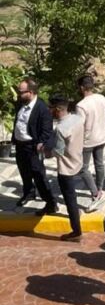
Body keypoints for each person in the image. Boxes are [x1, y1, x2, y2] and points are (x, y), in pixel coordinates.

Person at [12, 78, 57, 215]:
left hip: (33, 147)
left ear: (30, 92)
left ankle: (50, 203)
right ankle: (29, 193)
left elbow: (47, 130)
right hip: (20, 145)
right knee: (24, 171)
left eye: (21, 92)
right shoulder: (21, 103)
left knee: (38, 175)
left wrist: (41, 143)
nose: (18, 95)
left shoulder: (42, 108)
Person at [46, 96, 86, 241]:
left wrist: (44, 151)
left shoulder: (61, 129)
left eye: (51, 108)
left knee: (70, 200)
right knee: (73, 197)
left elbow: (58, 151)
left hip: (66, 168)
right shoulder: (77, 119)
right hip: (78, 161)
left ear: (57, 110)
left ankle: (76, 231)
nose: (49, 111)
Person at [76, 74, 105, 211]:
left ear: (82, 88)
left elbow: (79, 125)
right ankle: (99, 188)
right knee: (99, 164)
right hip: (101, 136)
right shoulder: (102, 98)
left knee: (83, 168)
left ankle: (95, 193)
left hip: (87, 141)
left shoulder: (81, 105)